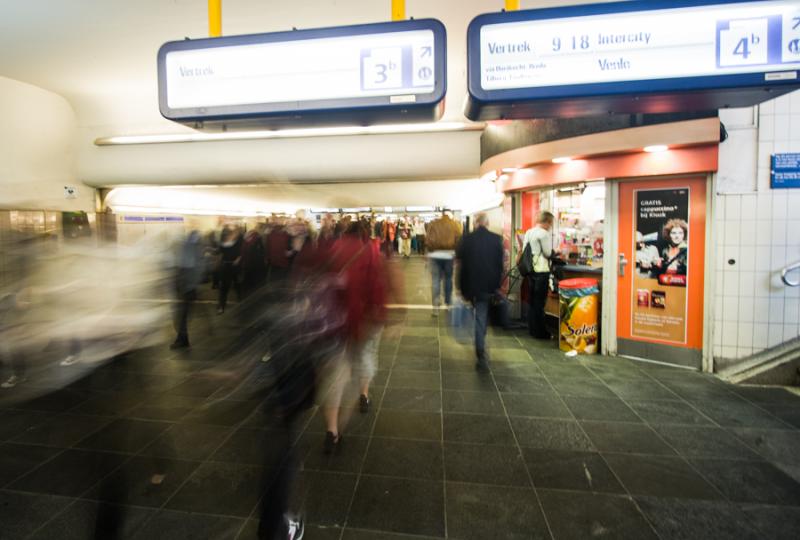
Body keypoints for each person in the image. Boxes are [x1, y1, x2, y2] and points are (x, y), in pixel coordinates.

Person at [456, 213, 503, 373]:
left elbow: (460, 264)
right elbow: (499, 266)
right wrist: (497, 286)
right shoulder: (496, 239)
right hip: (489, 286)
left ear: (475, 224)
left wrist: (460, 288)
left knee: (479, 317)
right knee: (482, 317)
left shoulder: (467, 239)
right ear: (487, 223)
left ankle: (480, 349)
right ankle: (481, 350)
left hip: (472, 285)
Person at [521, 211, 555, 339]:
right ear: (547, 222)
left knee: (532, 301)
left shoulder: (529, 232)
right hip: (541, 271)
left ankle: (532, 329)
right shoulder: (544, 234)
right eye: (550, 223)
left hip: (531, 270)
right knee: (540, 303)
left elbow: (525, 249)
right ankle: (541, 333)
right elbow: (547, 252)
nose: (550, 226)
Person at [171, 230, 204, 349]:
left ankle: (182, 340)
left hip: (187, 289)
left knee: (181, 317)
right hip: (188, 288)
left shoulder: (191, 250)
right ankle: (183, 339)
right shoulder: (196, 250)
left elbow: (189, 270)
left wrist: (187, 285)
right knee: (182, 316)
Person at [426, 211, 462, 315]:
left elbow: (428, 238)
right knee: (448, 279)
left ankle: (435, 307)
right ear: (450, 215)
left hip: (434, 255)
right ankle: (448, 304)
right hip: (449, 255)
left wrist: (429, 250)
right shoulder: (455, 224)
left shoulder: (433, 223)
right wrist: (456, 253)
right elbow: (459, 239)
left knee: (435, 280)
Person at [217, 227, 242, 314]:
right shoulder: (223, 244)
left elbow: (240, 254)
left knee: (237, 286)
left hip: (233, 267)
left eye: (230, 234)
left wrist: (238, 259)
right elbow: (220, 254)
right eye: (227, 235)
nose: (229, 236)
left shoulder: (237, 243)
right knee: (224, 288)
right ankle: (221, 306)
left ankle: (241, 303)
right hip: (226, 266)